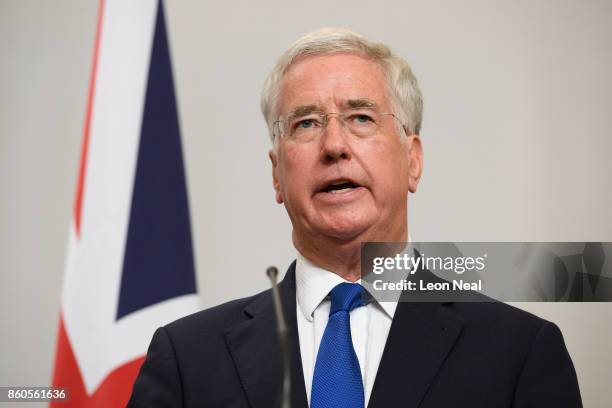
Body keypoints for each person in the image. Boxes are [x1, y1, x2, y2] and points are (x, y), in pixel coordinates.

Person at [128, 28, 582, 407]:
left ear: (413, 159)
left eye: (361, 118)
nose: (334, 146)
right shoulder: (186, 358)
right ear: (277, 176)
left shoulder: (520, 352)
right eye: (305, 123)